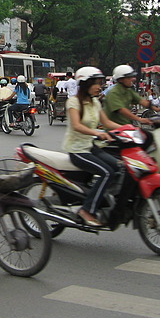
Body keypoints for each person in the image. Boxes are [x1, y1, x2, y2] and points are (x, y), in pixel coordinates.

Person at [63, 67, 123, 227]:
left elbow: (107, 123)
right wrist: (97, 133)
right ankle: (87, 210)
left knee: (118, 167)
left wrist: (129, 130)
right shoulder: (73, 102)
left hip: (91, 146)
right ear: (84, 84)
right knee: (106, 173)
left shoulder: (95, 102)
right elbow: (76, 125)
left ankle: (101, 197)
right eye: (95, 83)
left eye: (99, 83)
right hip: (77, 149)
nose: (99, 86)